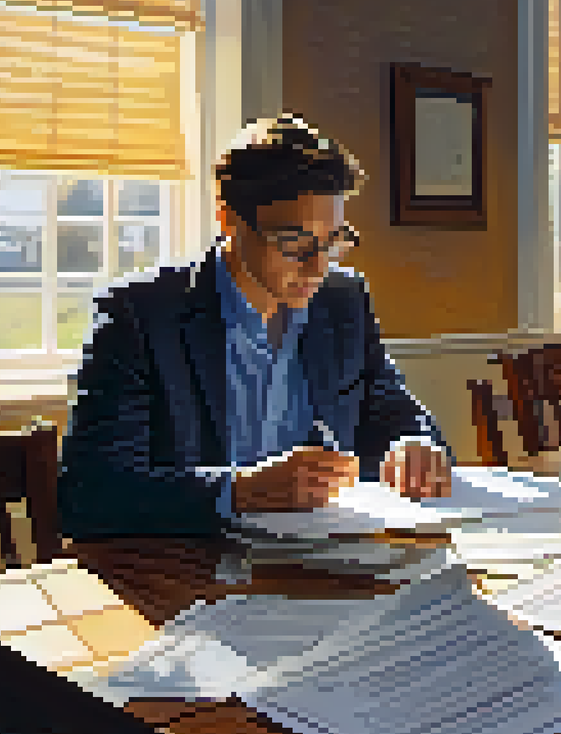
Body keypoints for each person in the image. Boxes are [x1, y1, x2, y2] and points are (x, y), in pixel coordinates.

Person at [58, 114, 454, 556]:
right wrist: (239, 491)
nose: (318, 267)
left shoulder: (344, 299)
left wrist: (413, 442)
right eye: (294, 243)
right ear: (229, 220)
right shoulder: (140, 316)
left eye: (333, 241)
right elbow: (91, 493)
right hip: (190, 573)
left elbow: (390, 403)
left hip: (330, 565)